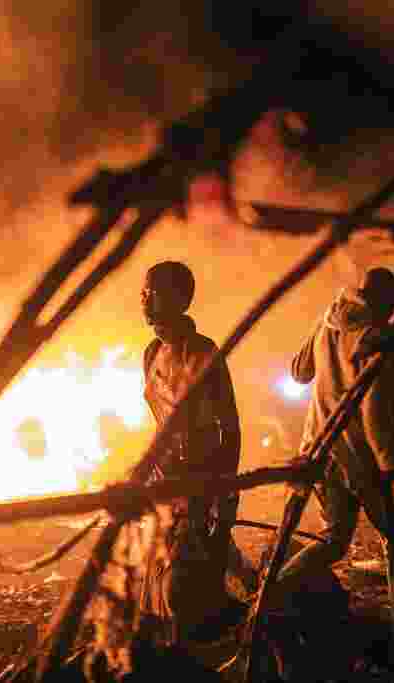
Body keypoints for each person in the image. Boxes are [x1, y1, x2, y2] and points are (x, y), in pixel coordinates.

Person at [273, 267, 394, 669]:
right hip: (359, 455)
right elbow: (375, 414)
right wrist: (393, 469)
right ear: (388, 303)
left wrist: (323, 333)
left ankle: (271, 594)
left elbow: (299, 371)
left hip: (320, 448)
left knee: (334, 539)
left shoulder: (330, 317)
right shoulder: (381, 338)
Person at [132, 260, 242, 643]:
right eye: (143, 292)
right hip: (164, 486)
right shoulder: (151, 353)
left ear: (180, 299)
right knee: (159, 589)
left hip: (201, 481)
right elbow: (160, 424)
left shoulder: (203, 353)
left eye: (154, 292)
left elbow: (229, 428)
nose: (145, 300)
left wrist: (225, 495)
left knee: (183, 591)